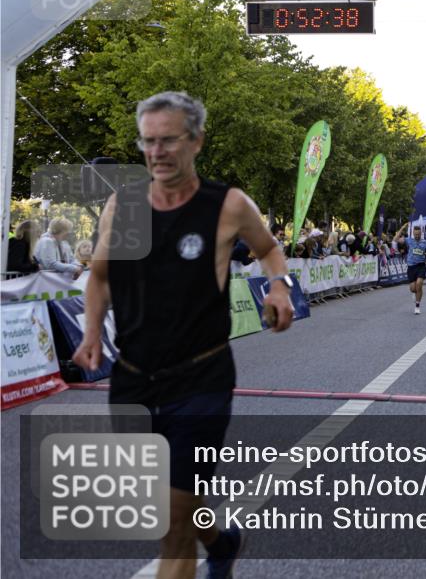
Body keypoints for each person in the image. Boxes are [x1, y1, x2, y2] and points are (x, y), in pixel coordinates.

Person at [72, 91, 294, 579]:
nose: (157, 152)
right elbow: (102, 275)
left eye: (168, 140)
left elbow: (269, 249)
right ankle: (220, 539)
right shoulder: (123, 204)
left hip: (201, 377)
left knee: (173, 524)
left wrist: (278, 286)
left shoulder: (228, 205)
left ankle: (207, 546)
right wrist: (91, 333)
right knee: (164, 503)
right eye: (148, 142)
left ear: (196, 141)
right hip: (132, 376)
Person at [396, 223, 426, 314]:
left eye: (418, 234)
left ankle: (417, 306)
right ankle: (415, 293)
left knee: (419, 284)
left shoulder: (425, 243)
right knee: (413, 289)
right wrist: (402, 228)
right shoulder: (408, 240)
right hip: (411, 267)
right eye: (415, 234)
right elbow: (395, 240)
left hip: (421, 266)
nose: (417, 236)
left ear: (421, 233)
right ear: (413, 234)